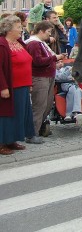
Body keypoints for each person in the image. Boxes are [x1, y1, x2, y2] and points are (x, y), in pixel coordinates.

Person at [0, 15, 36, 154]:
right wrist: (3, 87)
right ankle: (2, 142)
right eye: (18, 27)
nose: (21, 30)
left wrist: (29, 82)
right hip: (10, 86)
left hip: (23, 85)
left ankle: (12, 140)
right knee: (6, 115)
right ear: (8, 29)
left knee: (19, 115)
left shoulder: (19, 42)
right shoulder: (2, 44)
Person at [25, 20, 66, 138]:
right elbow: (37, 61)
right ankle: (32, 133)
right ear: (41, 31)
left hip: (47, 76)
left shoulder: (41, 43)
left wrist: (55, 64)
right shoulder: (33, 44)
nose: (50, 34)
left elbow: (45, 60)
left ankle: (36, 129)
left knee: (47, 105)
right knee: (39, 106)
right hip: (40, 78)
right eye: (48, 31)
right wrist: (55, 58)